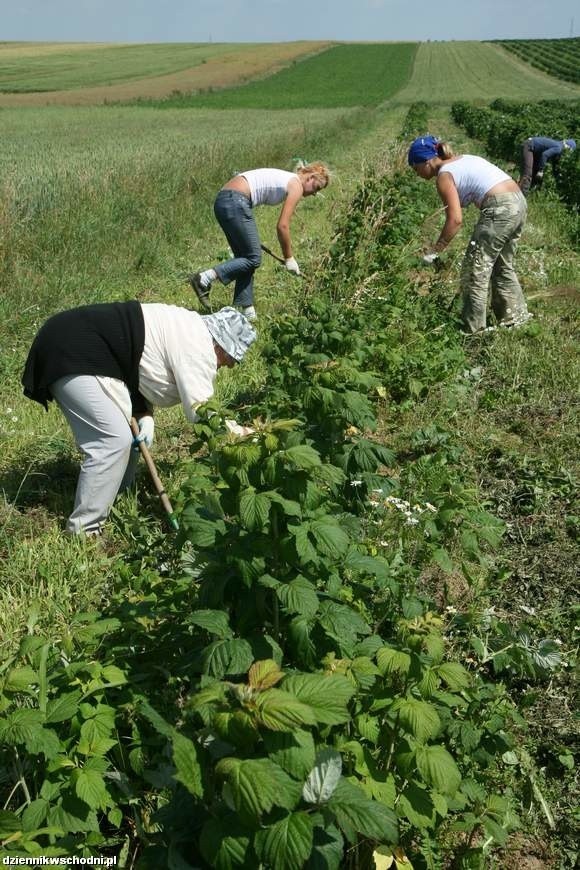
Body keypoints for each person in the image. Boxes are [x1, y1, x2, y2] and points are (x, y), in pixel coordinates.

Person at [22, 302, 256, 536]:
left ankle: (116, 496)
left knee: (129, 436)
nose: (229, 366)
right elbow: (202, 413)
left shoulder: (186, 326)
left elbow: (138, 363)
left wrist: (145, 414)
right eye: (230, 359)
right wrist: (245, 434)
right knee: (112, 441)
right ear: (221, 347)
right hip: (72, 349)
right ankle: (84, 531)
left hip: (75, 342)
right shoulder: (198, 345)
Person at [408, 135, 531, 335]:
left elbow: (455, 220)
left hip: (501, 207)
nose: (416, 174)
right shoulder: (463, 159)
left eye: (415, 168)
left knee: (475, 268)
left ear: (427, 161)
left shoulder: (444, 175)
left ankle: (472, 329)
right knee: (501, 264)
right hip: (518, 201)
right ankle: (514, 319)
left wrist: (435, 251)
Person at [189, 162, 330, 321]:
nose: (313, 194)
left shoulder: (288, 178)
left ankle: (248, 313)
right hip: (235, 201)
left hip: (224, 201)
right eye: (316, 188)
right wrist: (289, 257)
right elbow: (282, 226)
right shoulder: (296, 185)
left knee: (245, 258)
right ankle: (204, 279)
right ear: (310, 178)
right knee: (253, 258)